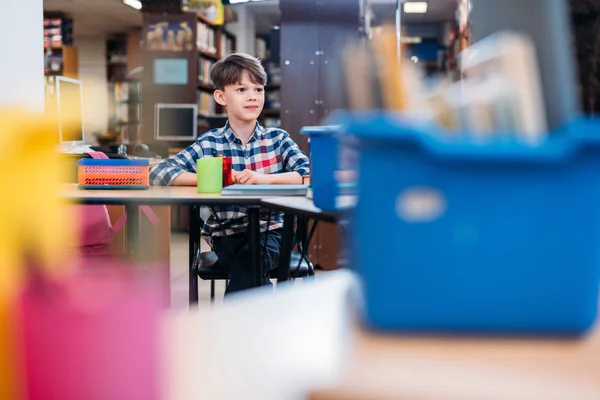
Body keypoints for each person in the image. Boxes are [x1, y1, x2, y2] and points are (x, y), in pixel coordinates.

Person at [150, 52, 310, 294]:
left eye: (258, 89)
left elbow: (308, 173)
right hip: (228, 234)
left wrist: (263, 179)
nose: (253, 97)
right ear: (221, 96)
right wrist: (215, 179)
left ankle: (237, 328)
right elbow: (159, 172)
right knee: (248, 262)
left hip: (273, 233)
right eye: (242, 90)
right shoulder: (210, 143)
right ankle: (267, 325)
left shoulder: (278, 140)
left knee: (249, 263)